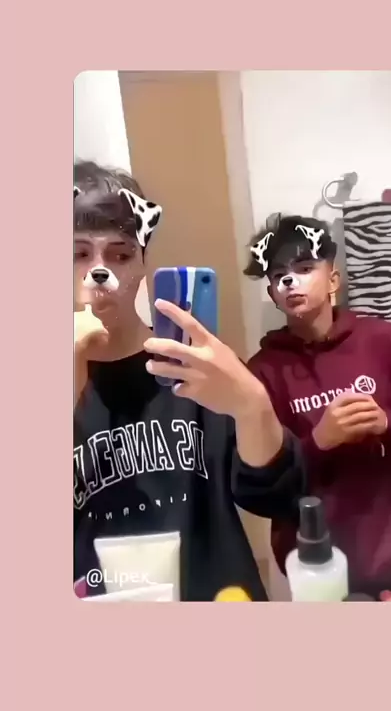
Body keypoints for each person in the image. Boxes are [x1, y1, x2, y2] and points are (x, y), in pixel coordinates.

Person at [74, 162, 304, 601]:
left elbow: (277, 498)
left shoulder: (192, 363)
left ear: (143, 264)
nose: (99, 273)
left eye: (121, 254)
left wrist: (252, 405)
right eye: (78, 254)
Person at [244, 214, 391, 598]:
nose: (290, 281)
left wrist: (388, 422)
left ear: (333, 280)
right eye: (279, 274)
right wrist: (318, 442)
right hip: (316, 569)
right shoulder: (261, 373)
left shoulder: (382, 340)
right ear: (272, 292)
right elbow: (262, 485)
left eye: (304, 268)